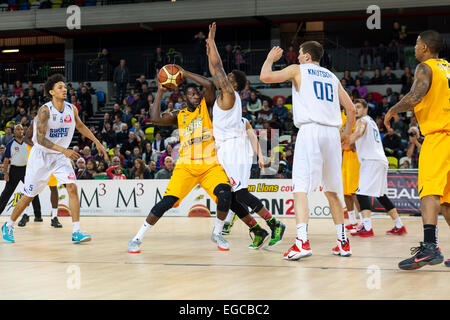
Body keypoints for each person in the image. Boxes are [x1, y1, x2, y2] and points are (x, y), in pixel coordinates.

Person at [128, 66, 255, 254]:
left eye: (197, 93)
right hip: (186, 166)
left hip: (210, 165)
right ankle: (138, 237)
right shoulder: (179, 115)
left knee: (226, 195)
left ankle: (218, 233)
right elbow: (154, 118)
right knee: (166, 202)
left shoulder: (207, 107)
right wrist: (161, 91)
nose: (196, 96)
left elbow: (209, 84)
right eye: (192, 94)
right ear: (185, 98)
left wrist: (184, 72)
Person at [260, 40, 356, 259]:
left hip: (310, 130)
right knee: (332, 190)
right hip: (332, 133)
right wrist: (347, 134)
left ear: (305, 56)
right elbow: (350, 109)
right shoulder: (332, 77)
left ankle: (302, 242)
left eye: (300, 54)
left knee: (300, 187)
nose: (298, 57)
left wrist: (269, 59)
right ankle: (343, 242)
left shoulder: (298, 69)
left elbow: (265, 77)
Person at [1, 74, 108, 244]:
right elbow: (41, 139)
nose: (64, 89)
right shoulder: (45, 110)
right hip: (41, 156)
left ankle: (76, 231)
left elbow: (80, 126)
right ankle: (9, 224)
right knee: (29, 195)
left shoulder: (71, 109)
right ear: (51, 91)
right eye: (60, 87)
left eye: (65, 86)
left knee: (72, 187)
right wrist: (64, 151)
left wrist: (98, 143)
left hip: (59, 156)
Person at [207, 23, 285, 248]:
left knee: (240, 194)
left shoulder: (229, 94)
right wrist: (210, 45)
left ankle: (275, 224)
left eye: (228, 76)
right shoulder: (226, 94)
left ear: (233, 83)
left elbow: (217, 67)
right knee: (229, 196)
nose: (223, 77)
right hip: (225, 147)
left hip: (233, 148)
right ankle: (256, 229)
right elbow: (215, 69)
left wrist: (212, 41)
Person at [384, 30, 450, 269]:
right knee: (447, 202)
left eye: (416, 43)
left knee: (429, 192)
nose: (414, 48)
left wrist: (393, 110)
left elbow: (415, 95)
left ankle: (430, 248)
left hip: (439, 137)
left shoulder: (426, 67)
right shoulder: (448, 67)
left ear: (424, 47)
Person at [347, 99, 406, 237]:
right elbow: (359, 141)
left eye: (358, 107)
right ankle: (399, 226)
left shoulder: (362, 121)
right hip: (380, 160)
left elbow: (359, 133)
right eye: (354, 107)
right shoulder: (371, 122)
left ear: (366, 109)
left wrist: (347, 139)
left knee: (361, 193)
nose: (356, 110)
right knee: (381, 195)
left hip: (372, 160)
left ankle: (367, 228)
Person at [21, 120, 62, 228]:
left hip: (50, 159)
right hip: (35, 160)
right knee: (30, 189)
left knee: (53, 187)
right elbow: (25, 138)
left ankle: (54, 217)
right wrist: (36, 147)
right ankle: (26, 214)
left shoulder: (56, 124)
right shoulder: (35, 123)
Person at [0, 125, 43, 224]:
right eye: (18, 129)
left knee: (33, 192)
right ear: (14, 132)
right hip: (14, 170)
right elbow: (6, 160)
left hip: (27, 170)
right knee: (6, 194)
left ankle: (38, 215)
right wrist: (6, 173)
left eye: (22, 129)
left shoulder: (28, 143)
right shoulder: (10, 144)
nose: (20, 131)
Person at [340, 108, 361, 231]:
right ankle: (352, 221)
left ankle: (364, 222)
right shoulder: (339, 116)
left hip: (355, 156)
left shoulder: (355, 116)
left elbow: (355, 139)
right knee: (346, 192)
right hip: (345, 157)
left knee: (354, 192)